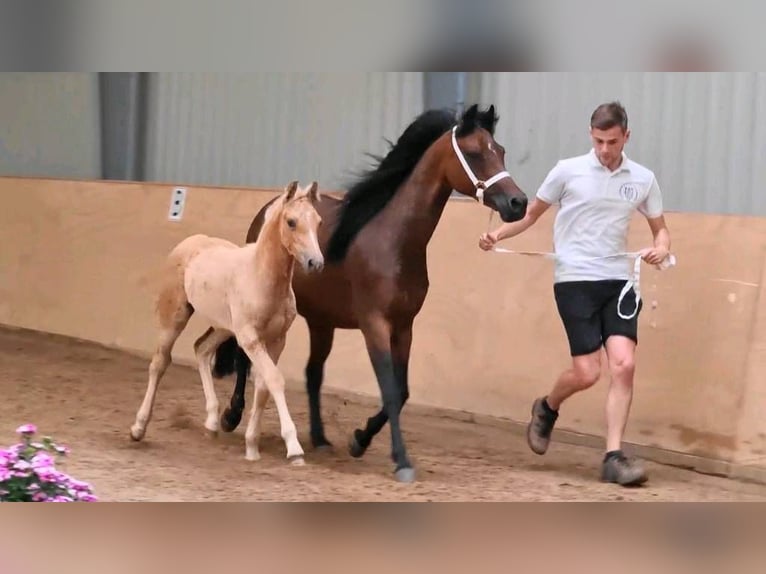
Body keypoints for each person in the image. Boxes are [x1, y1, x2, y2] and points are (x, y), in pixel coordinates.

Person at [478, 101, 671, 486]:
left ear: (626, 137)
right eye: (598, 140)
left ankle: (613, 456)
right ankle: (547, 407)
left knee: (624, 365)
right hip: (575, 281)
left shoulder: (643, 179)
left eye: (612, 141)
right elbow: (532, 214)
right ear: (590, 135)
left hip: (618, 282)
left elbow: (660, 230)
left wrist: (662, 248)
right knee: (587, 373)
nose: (604, 149)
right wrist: (497, 234)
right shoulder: (567, 171)